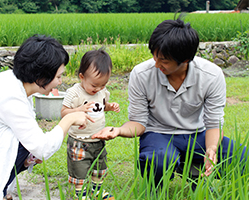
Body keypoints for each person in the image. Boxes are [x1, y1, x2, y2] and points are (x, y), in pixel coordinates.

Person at [92, 16, 248, 189]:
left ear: (186, 59)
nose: (156, 64)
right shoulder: (141, 74)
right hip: (158, 134)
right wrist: (118, 130)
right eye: (154, 56)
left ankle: (193, 171)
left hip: (197, 136)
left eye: (164, 61)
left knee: (243, 158)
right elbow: (139, 122)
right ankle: (159, 184)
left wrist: (211, 148)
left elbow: (213, 123)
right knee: (159, 159)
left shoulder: (211, 75)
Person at [0, 35, 94, 200]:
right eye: (58, 76)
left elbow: (30, 137)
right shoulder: (9, 96)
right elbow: (43, 148)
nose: (60, 82)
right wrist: (69, 119)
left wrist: (26, 159)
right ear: (40, 76)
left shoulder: (16, 85)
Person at [61, 49, 120, 200]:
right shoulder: (74, 93)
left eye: (103, 85)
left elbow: (102, 106)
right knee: (79, 169)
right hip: (79, 141)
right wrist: (79, 110)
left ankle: (96, 190)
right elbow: (63, 112)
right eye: (95, 85)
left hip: (98, 139)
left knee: (99, 168)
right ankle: (80, 193)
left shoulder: (102, 91)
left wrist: (110, 106)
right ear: (82, 77)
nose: (99, 89)